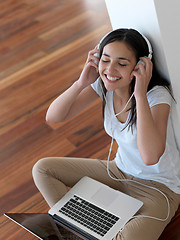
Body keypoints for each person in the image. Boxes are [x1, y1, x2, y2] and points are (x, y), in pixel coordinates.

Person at [32, 28, 180, 240]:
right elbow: (53, 117)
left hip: (158, 188)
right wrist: (80, 82)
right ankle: (82, 228)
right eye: (105, 60)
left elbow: (150, 157)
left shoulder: (156, 96)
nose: (110, 70)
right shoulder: (104, 85)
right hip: (119, 172)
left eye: (121, 63)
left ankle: (90, 230)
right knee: (43, 169)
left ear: (140, 67)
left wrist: (139, 93)